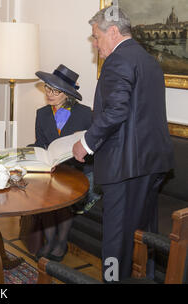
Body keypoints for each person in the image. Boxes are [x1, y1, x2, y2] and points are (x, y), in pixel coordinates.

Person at [72, 7, 174, 281]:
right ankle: (146, 279)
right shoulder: (148, 59)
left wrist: (86, 142)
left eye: (96, 36)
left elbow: (116, 111)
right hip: (152, 163)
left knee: (116, 239)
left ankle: (112, 279)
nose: (95, 43)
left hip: (125, 165)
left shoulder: (118, 61)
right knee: (143, 234)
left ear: (113, 31)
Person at [23, 64, 99, 261]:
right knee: (46, 197)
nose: (49, 94)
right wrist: (27, 151)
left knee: (62, 197)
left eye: (55, 91)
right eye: (47, 88)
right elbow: (41, 143)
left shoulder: (85, 114)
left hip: (79, 170)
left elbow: (95, 146)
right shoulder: (42, 113)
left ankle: (61, 242)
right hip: (54, 168)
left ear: (67, 93)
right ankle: (49, 241)